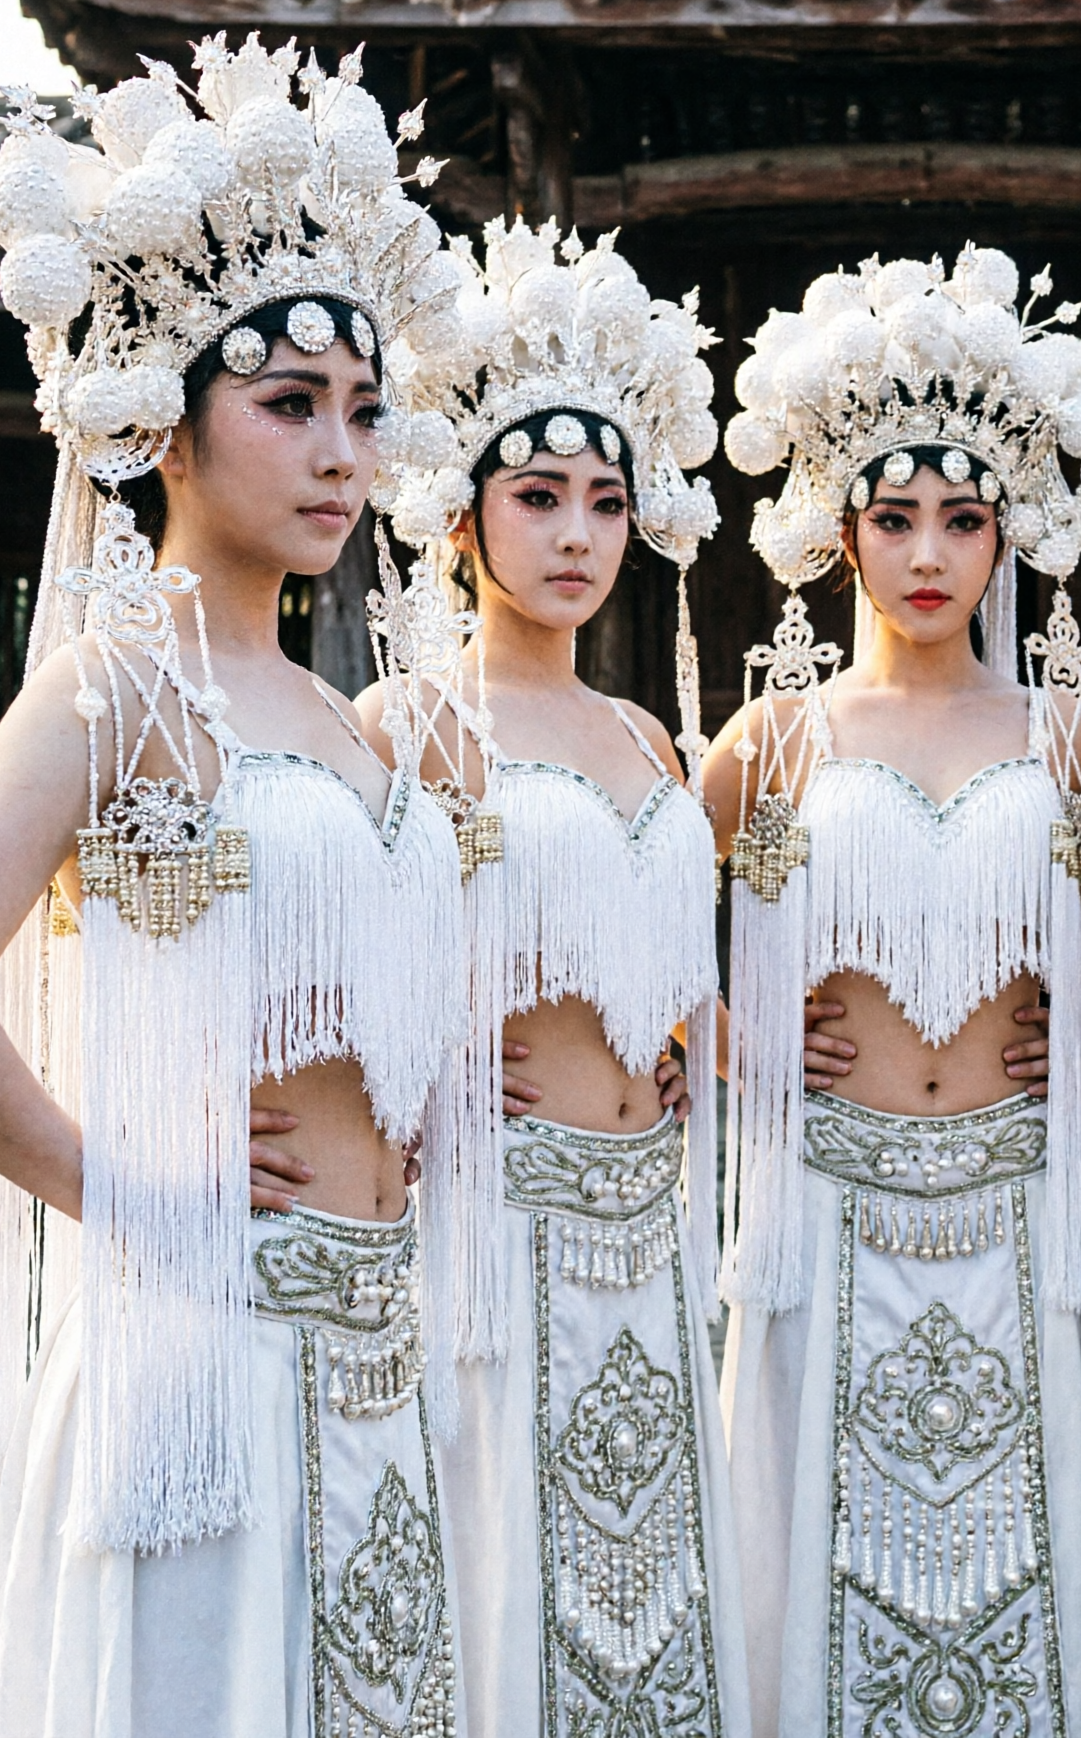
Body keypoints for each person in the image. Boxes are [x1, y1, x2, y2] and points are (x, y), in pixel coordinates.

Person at [0, 41, 474, 1734]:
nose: (339, 454)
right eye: (289, 404)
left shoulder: (344, 716)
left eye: (363, 412)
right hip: (202, 1355)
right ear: (168, 415)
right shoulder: (114, 685)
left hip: (377, 1339)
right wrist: (124, 1182)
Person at [707, 245, 1081, 1738]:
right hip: (829, 1202)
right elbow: (629, 927)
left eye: (964, 518)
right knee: (828, 1578)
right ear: (842, 531)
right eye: (897, 518)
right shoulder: (771, 744)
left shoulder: (1069, 740)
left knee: (1021, 1567)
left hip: (1017, 1206)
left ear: (1006, 536)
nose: (930, 552)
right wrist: (724, 1041)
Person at [361, 219, 746, 1737]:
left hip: (639, 1218)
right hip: (486, 1213)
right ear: (462, 518)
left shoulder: (653, 740)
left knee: (636, 1570)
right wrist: (424, 1062)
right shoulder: (402, 724)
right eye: (537, 499)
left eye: (603, 502)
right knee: (501, 1559)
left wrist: (684, 1057)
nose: (576, 535)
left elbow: (675, 963)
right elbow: (339, 965)